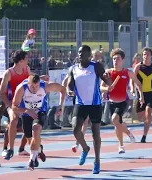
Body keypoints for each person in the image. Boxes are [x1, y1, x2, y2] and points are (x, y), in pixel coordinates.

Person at [66, 45, 112, 174]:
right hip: (80, 104)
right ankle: (85, 148)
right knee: (75, 130)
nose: (80, 54)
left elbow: (106, 79)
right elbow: (70, 85)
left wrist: (109, 81)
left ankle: (97, 161)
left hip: (95, 104)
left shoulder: (95, 66)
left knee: (95, 134)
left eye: (83, 53)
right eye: (79, 52)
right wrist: (69, 91)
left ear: (89, 55)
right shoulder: (73, 69)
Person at [0, 50, 49, 161]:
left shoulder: (27, 69)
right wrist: (10, 106)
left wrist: (41, 78)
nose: (28, 61)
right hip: (13, 102)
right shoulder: (8, 73)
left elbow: (32, 81)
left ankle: (36, 149)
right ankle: (10, 149)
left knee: (30, 125)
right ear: (21, 61)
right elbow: (1, 94)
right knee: (14, 120)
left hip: (27, 102)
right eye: (26, 59)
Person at [12, 74, 66, 170]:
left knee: (36, 129)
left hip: (40, 112)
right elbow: (14, 106)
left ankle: (32, 160)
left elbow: (62, 89)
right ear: (28, 83)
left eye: (37, 86)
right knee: (31, 139)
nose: (35, 89)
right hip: (26, 114)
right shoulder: (21, 88)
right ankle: (39, 149)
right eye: (32, 86)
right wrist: (26, 110)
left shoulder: (45, 86)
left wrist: (60, 106)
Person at [100, 48, 144, 154]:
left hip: (123, 102)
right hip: (111, 102)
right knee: (117, 123)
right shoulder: (108, 73)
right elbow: (101, 87)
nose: (116, 61)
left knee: (115, 119)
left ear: (122, 60)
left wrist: (141, 96)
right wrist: (106, 89)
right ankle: (128, 134)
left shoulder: (127, 72)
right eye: (114, 59)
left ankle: (121, 146)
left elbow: (138, 83)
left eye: (118, 58)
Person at [131, 47, 152, 143]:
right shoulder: (138, 67)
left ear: (151, 56)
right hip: (140, 94)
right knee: (140, 117)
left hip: (151, 94)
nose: (145, 56)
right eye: (144, 54)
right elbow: (132, 79)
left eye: (147, 54)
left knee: (148, 113)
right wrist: (132, 88)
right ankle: (146, 121)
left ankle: (144, 136)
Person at [62, 74, 90, 153]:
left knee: (85, 121)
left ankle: (78, 143)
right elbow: (64, 81)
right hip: (78, 99)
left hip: (89, 98)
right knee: (78, 122)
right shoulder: (75, 70)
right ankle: (79, 142)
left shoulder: (91, 69)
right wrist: (68, 91)